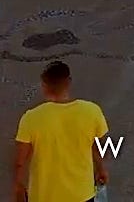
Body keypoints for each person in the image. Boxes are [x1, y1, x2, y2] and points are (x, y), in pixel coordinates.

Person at [14, 60, 110, 202]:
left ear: (44, 86)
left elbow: (20, 161)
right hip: (81, 194)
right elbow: (98, 147)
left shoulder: (31, 117)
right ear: (68, 82)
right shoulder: (91, 111)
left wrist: (19, 187)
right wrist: (101, 169)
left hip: (44, 196)